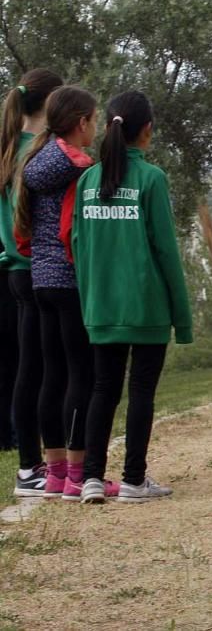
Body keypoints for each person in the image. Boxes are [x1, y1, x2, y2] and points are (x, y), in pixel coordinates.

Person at [72, 92, 192, 503]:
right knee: (141, 391)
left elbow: (79, 246)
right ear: (147, 130)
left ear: (109, 127)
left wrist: (89, 303)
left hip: (102, 307)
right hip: (147, 307)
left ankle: (90, 478)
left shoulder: (88, 180)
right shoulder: (152, 178)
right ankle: (133, 480)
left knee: (102, 389)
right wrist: (183, 317)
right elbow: (166, 251)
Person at [15, 85, 112, 502]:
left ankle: (54, 472)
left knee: (51, 375)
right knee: (81, 376)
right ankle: (77, 473)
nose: (99, 126)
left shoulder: (36, 157)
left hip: (40, 279)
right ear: (81, 122)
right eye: (95, 118)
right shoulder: (78, 164)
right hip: (70, 280)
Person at [1, 70, 63, 496]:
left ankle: (33, 464)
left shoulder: (7, 148)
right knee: (42, 372)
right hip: (37, 268)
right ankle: (35, 466)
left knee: (29, 371)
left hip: (13, 270)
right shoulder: (41, 152)